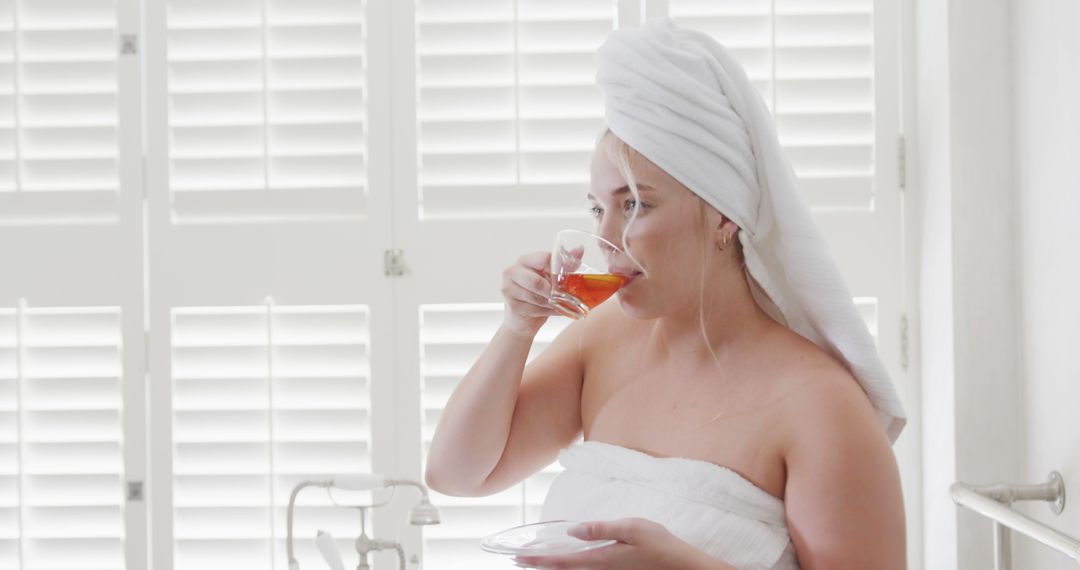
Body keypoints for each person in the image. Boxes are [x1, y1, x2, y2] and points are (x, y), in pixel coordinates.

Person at [425, 18, 907, 570]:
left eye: (636, 204)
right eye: (597, 207)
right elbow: (458, 474)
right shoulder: (601, 342)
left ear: (724, 215)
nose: (605, 238)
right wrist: (517, 329)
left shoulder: (821, 408)